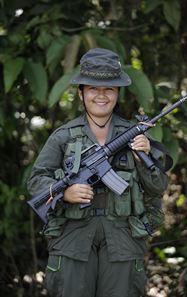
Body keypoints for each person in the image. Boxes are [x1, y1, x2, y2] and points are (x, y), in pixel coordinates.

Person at [27, 48, 169, 297]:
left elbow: (158, 187)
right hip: (72, 239)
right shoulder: (63, 136)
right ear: (81, 93)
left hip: (123, 238)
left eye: (109, 89)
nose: (101, 95)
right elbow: (37, 180)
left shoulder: (135, 134)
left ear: (117, 93)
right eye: (93, 88)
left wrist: (144, 155)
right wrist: (66, 193)